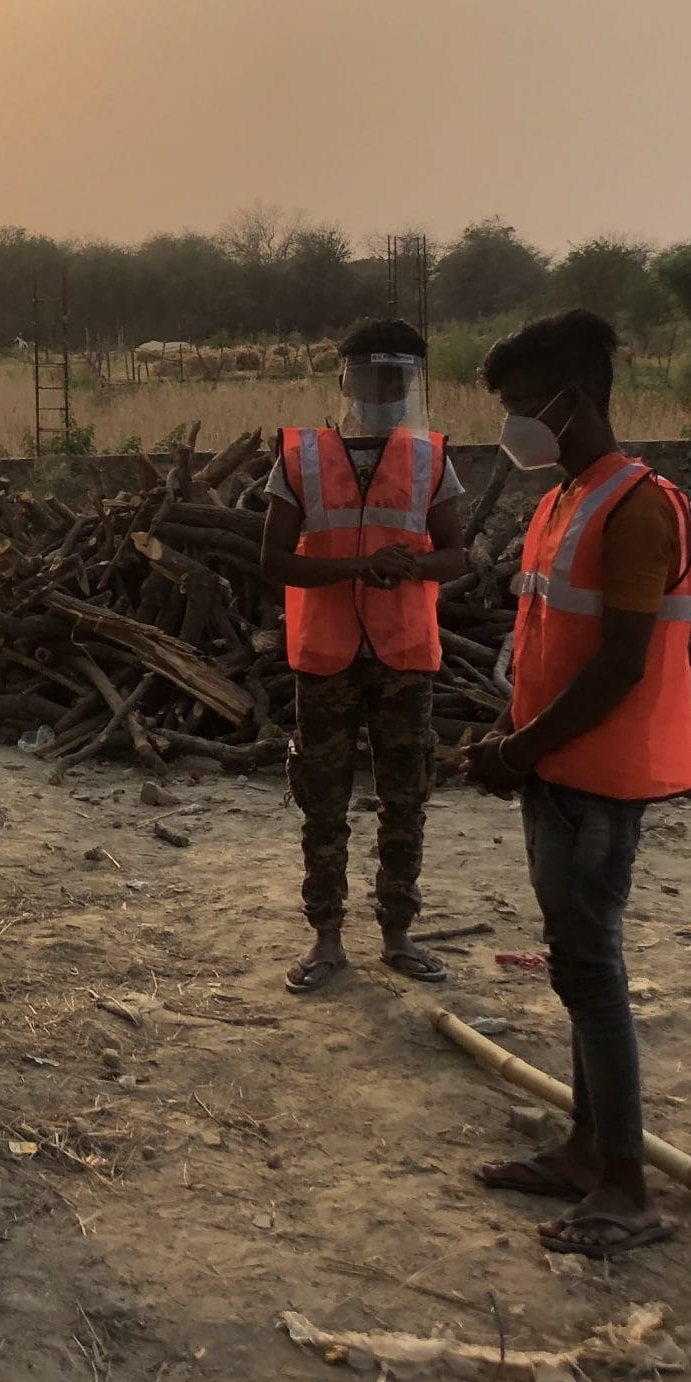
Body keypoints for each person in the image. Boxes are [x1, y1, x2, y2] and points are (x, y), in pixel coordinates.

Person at [468, 309, 691, 1259]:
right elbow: (549, 644)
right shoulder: (567, 497)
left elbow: (619, 667)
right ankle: (585, 1148)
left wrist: (521, 753)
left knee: (593, 972)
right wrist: (514, 738)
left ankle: (627, 1188)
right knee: (573, 964)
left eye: (524, 406)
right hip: (555, 766)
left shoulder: (637, 507)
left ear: (573, 400)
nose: (514, 424)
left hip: (596, 778)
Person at [260, 319, 467, 993]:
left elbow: (457, 553)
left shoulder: (432, 457)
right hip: (325, 653)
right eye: (370, 376)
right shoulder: (301, 456)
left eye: (396, 379)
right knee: (324, 798)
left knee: (405, 796)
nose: (382, 390)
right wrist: (359, 565)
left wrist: (410, 567)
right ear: (344, 377)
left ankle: (398, 932)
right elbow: (274, 559)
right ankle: (326, 936)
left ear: (412, 383)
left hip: (405, 651)